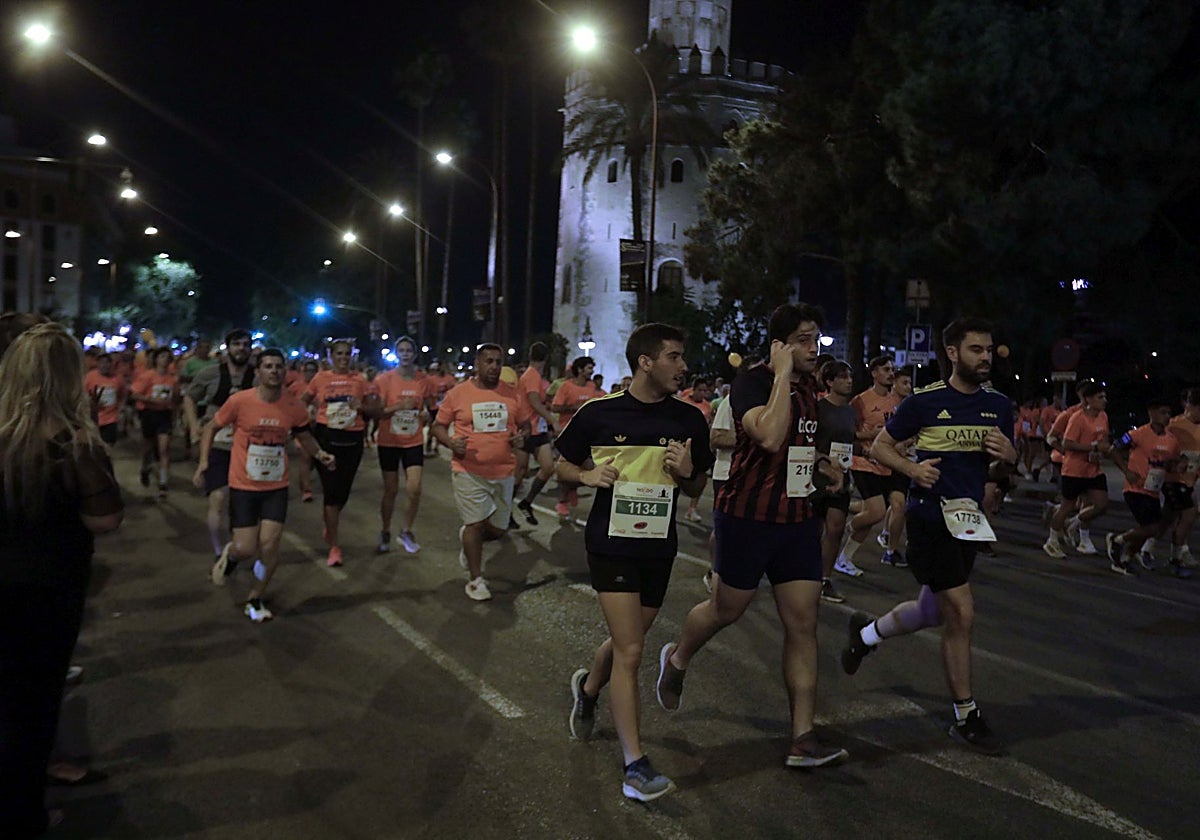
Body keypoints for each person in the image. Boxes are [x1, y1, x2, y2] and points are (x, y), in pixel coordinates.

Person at [655, 304, 849, 772]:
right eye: (803, 339)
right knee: (728, 609)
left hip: (798, 520)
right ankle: (678, 658)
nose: (813, 348)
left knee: (803, 622)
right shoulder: (755, 383)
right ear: (779, 345)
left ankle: (802, 738)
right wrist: (781, 374)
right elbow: (767, 435)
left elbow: (799, 443)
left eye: (816, 339)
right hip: (747, 517)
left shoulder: (809, 390)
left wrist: (825, 467)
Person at [841, 316, 1017, 755]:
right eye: (976, 349)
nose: (985, 357)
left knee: (929, 610)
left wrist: (1009, 458)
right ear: (953, 353)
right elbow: (881, 445)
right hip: (928, 519)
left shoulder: (999, 406)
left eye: (989, 349)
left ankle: (865, 635)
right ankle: (965, 715)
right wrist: (912, 469)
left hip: (968, 523)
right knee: (961, 611)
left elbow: (997, 470)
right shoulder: (924, 402)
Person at [560, 324, 713, 802]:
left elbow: (695, 486)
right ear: (645, 362)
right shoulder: (598, 413)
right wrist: (587, 474)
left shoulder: (689, 419)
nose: (682, 366)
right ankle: (635, 765)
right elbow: (557, 460)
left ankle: (587, 689)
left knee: (631, 638)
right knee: (631, 651)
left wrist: (687, 474)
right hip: (610, 544)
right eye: (673, 356)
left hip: (657, 548)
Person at [1, 323, 124, 837]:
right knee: (32, 709)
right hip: (47, 590)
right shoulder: (73, 445)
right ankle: (23, 817)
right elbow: (105, 519)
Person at [201, 349, 335, 621]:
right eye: (268, 366)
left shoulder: (293, 406)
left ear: (284, 371)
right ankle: (232, 554)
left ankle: (256, 597)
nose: (274, 371)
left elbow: (304, 436)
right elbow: (211, 428)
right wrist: (204, 461)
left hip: (275, 486)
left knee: (270, 547)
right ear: (259, 372)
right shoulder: (239, 401)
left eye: (278, 366)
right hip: (244, 486)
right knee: (246, 548)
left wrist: (320, 454)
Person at [432, 344, 532, 600]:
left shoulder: (512, 394)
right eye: (488, 361)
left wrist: (522, 437)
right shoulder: (458, 394)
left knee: (498, 530)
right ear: (477, 364)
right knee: (475, 524)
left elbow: (525, 426)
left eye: (498, 362)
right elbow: (438, 426)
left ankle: (469, 542)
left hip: (502, 471)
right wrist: (451, 442)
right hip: (468, 470)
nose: (494, 366)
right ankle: (476, 580)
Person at [304, 341, 380, 566]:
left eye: (347, 354)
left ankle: (330, 519)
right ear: (330, 356)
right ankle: (334, 547)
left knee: (342, 493)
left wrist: (362, 407)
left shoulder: (360, 380)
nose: (344, 358)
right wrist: (304, 419)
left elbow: (374, 409)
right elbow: (303, 400)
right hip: (326, 438)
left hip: (352, 440)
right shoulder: (320, 378)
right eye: (339, 354)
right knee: (330, 491)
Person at [187, 329, 255, 565]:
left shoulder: (258, 377)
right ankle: (220, 553)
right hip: (217, 444)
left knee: (243, 502)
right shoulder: (210, 374)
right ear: (227, 348)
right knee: (217, 497)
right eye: (237, 344)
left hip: (248, 448)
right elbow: (189, 397)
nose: (241, 349)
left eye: (246, 344)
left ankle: (239, 547)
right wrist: (194, 425)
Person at [836, 356, 901, 576]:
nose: (891, 373)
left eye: (892, 369)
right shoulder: (861, 401)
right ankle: (847, 527)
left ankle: (844, 558)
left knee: (872, 515)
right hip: (863, 462)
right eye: (886, 369)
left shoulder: (896, 401)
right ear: (874, 373)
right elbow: (849, 433)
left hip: (886, 462)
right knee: (876, 512)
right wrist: (871, 435)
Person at [1107, 398, 1181, 576]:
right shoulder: (1137, 434)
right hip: (1135, 488)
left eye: (1169, 413)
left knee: (1146, 529)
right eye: (1163, 412)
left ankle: (1125, 557)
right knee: (1152, 528)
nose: (1167, 417)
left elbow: (1171, 463)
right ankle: (1117, 540)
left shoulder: (1172, 441)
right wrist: (1127, 471)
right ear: (1152, 413)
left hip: (1153, 490)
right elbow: (1113, 449)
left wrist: (1177, 467)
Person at [374, 337, 433, 554]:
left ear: (414, 354)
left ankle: (406, 530)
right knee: (391, 490)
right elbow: (378, 412)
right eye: (402, 350)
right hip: (389, 441)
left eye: (409, 350)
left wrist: (426, 415)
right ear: (397, 354)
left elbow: (427, 407)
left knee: (414, 488)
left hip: (413, 440)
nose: (406, 354)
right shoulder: (384, 380)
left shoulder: (423, 380)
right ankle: (385, 529)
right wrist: (399, 406)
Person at [1044, 381, 1111, 558]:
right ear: (1085, 398)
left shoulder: (1103, 416)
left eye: (1104, 396)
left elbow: (1103, 438)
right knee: (1069, 505)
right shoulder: (1073, 416)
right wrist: (1070, 451)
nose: (1104, 400)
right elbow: (1059, 440)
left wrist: (1103, 449)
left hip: (1093, 468)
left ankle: (1074, 526)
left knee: (1100, 504)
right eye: (1100, 397)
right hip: (1073, 468)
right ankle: (1052, 540)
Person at [813, 360, 857, 603]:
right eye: (842, 377)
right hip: (816, 475)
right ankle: (805, 575)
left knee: (836, 527)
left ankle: (824, 579)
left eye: (849, 376)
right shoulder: (819, 408)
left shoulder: (850, 411)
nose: (848, 380)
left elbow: (851, 443)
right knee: (812, 529)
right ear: (829, 382)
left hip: (843, 474)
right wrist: (824, 463)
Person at [515, 342, 558, 525]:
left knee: (548, 467)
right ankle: (504, 509)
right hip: (526, 430)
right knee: (520, 472)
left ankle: (526, 502)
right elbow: (533, 401)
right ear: (546, 358)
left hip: (537, 430)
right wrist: (552, 420)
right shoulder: (532, 375)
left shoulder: (536, 376)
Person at [552, 356, 599, 521]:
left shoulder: (592, 386)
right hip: (568, 433)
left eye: (592, 368)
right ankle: (562, 502)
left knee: (587, 470)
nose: (592, 371)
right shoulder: (566, 386)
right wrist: (574, 407)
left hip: (587, 434)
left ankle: (571, 489)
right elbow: (554, 407)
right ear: (579, 370)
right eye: (589, 368)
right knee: (571, 469)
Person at [877, 365, 915, 565]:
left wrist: (908, 442)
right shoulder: (886, 405)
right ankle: (890, 551)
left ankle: (887, 539)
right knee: (897, 506)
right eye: (904, 383)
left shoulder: (910, 406)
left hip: (903, 463)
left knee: (897, 505)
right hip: (884, 462)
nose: (908, 387)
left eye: (910, 383)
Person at [132, 347, 180, 498]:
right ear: (156, 359)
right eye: (162, 357)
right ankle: (145, 467)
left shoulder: (173, 379)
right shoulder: (147, 376)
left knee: (164, 449)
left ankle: (163, 483)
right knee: (148, 448)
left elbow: (176, 398)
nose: (165, 360)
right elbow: (135, 394)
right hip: (149, 414)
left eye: (167, 357)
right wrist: (152, 400)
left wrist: (175, 412)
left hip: (165, 415)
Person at [1165, 389, 1200, 573]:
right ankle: (1176, 557)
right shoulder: (1174, 426)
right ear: (1191, 406)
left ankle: (1143, 547)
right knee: (1188, 514)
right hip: (1174, 480)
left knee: (1168, 519)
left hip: (1190, 480)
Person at [682, 377, 714, 523]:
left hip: (699, 446)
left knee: (700, 477)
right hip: (683, 444)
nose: (702, 393)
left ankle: (692, 509)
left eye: (705, 391)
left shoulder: (708, 406)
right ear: (693, 390)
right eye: (700, 390)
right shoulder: (683, 402)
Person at [289, 359, 320, 502]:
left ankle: (303, 479)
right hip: (302, 428)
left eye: (313, 371)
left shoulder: (321, 386)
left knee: (314, 458)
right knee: (306, 457)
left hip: (318, 426)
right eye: (307, 371)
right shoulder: (296, 387)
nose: (310, 374)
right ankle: (306, 490)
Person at [84, 352, 127, 447]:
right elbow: (83, 394)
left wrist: (121, 409)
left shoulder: (118, 378)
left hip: (111, 418)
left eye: (107, 362)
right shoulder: (90, 377)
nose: (105, 365)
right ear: (98, 364)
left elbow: (122, 394)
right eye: (102, 362)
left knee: (108, 446)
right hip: (93, 418)